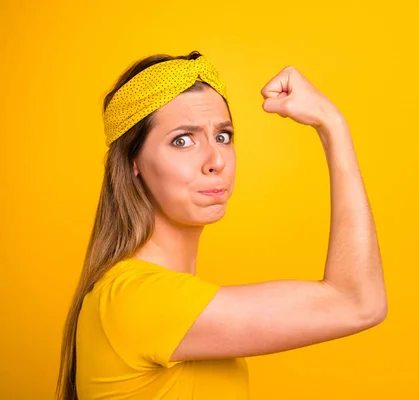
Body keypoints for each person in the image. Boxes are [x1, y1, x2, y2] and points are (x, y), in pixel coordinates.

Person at [55, 50, 387, 400]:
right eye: (182, 140)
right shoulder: (136, 300)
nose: (215, 160)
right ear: (133, 162)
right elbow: (358, 302)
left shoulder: (160, 298)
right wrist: (331, 126)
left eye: (223, 136)